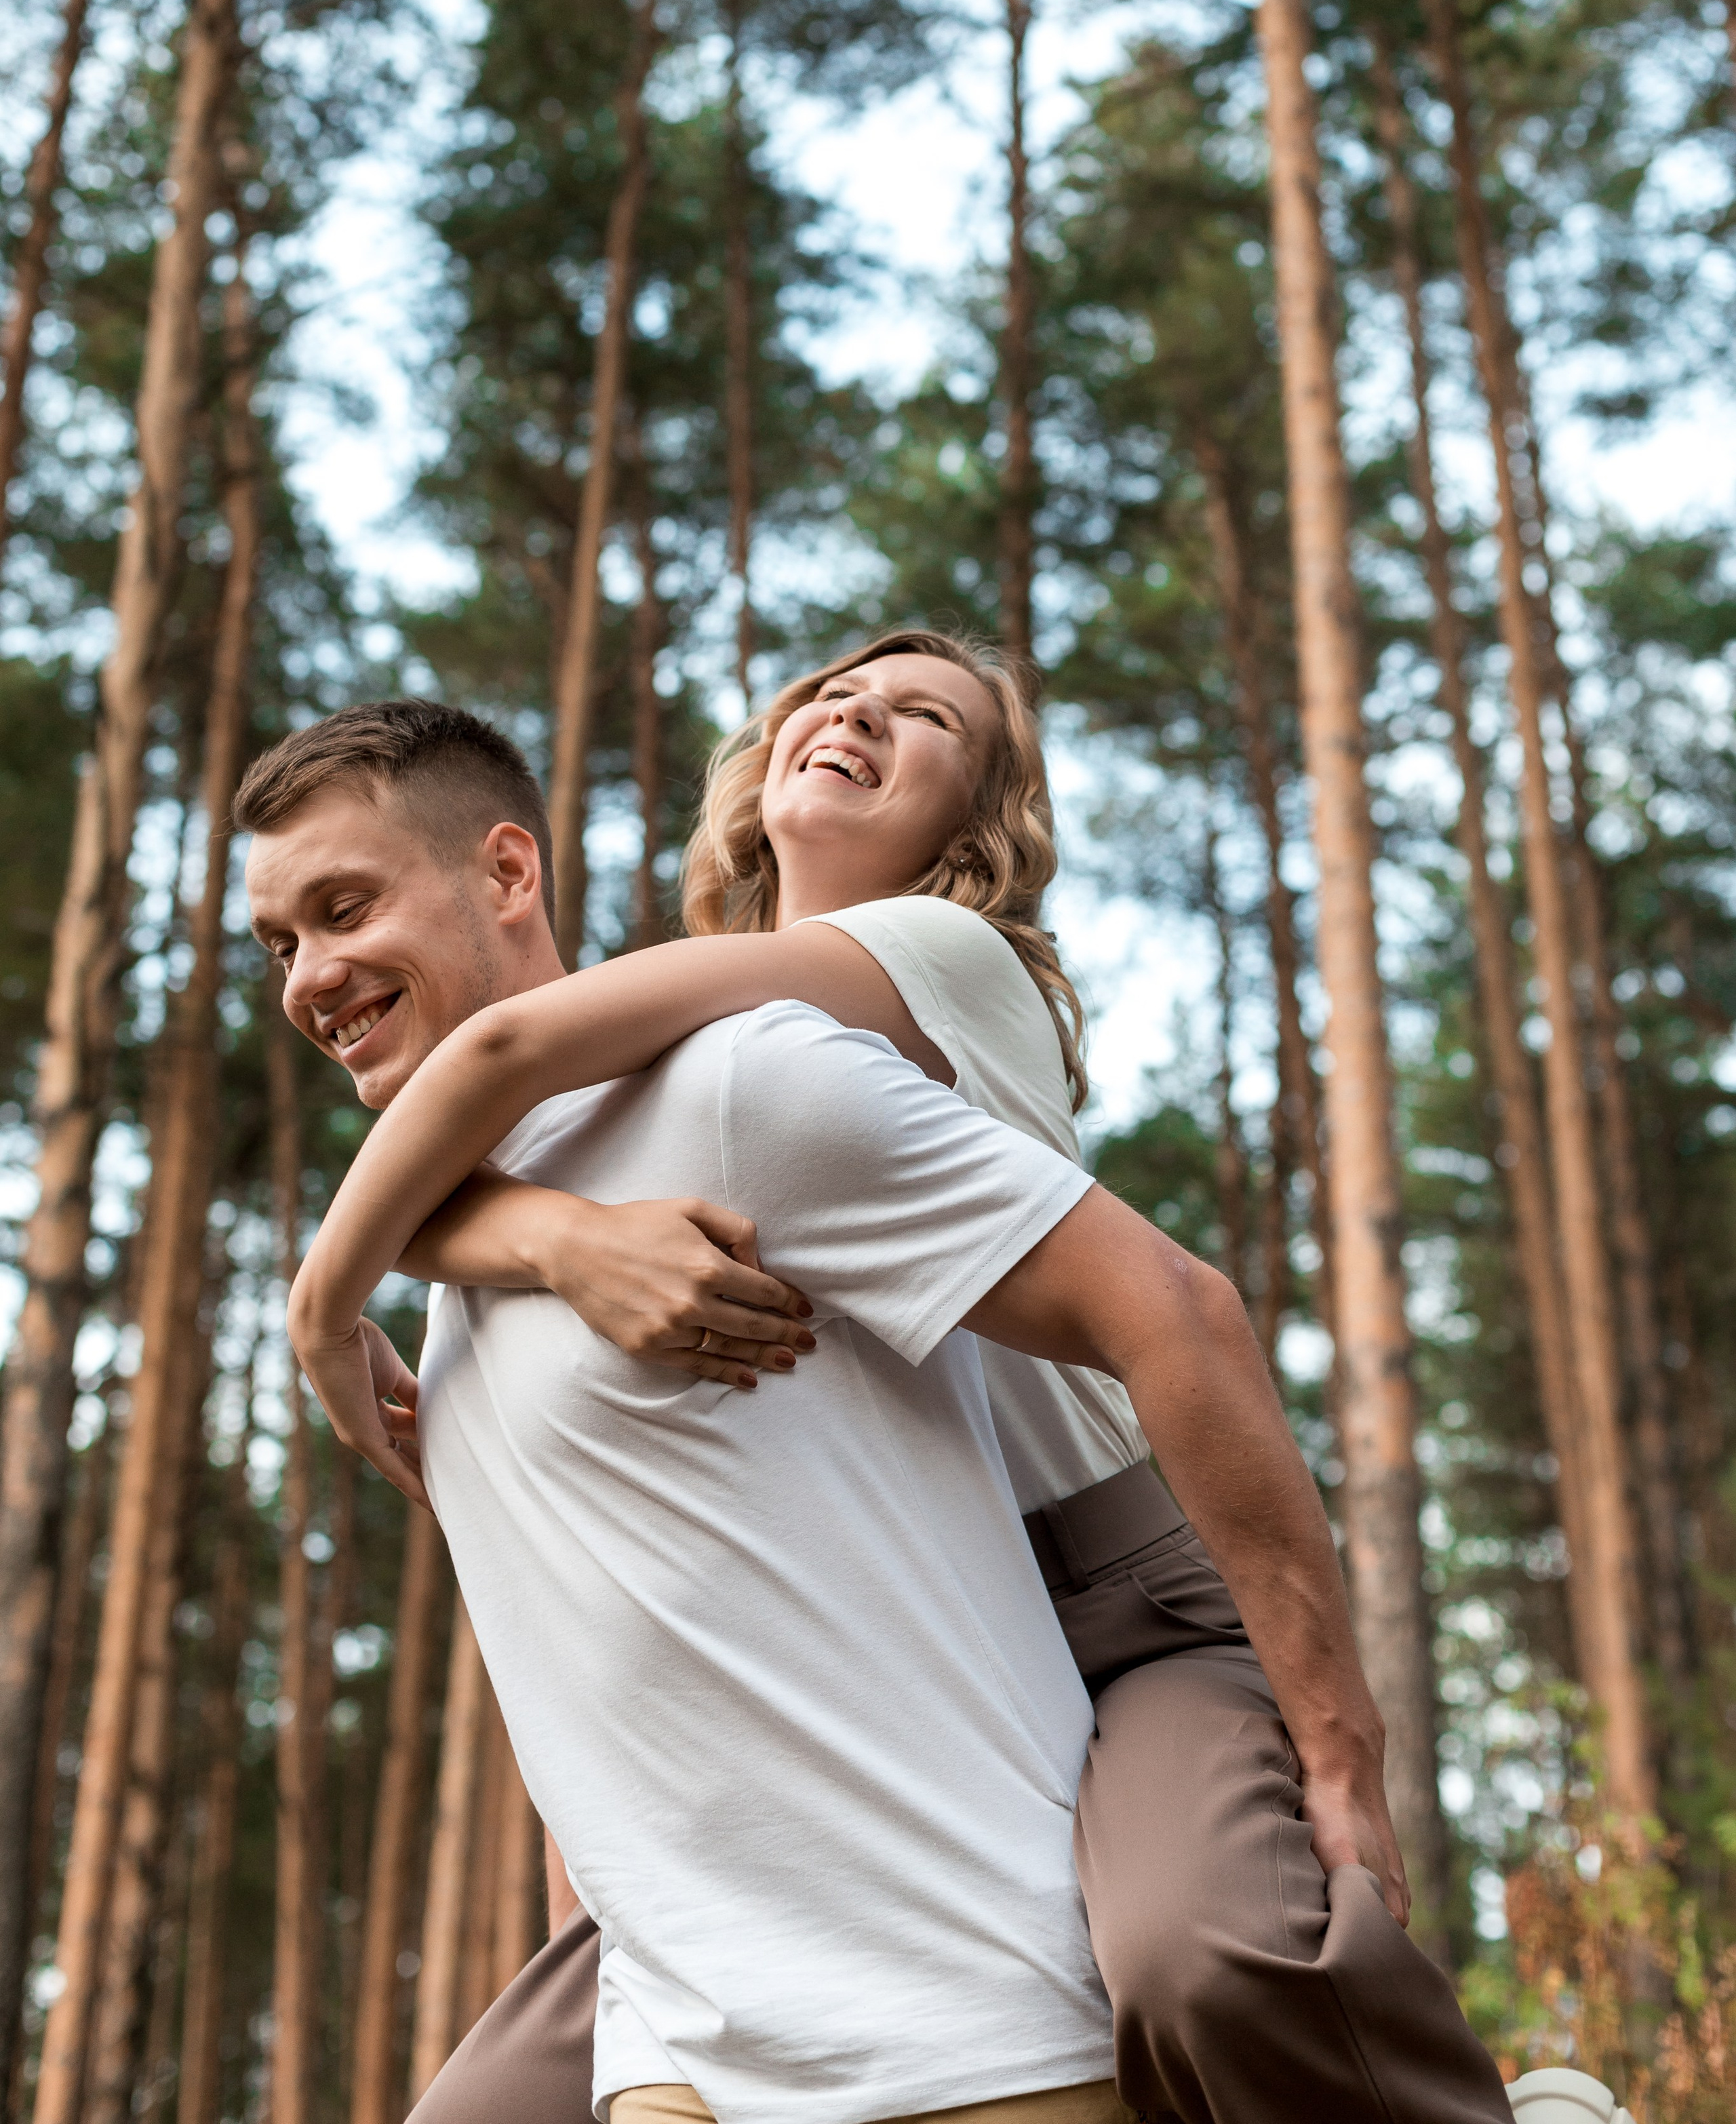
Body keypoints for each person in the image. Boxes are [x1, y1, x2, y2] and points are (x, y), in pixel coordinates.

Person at [240, 654, 1510, 2124]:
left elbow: (513, 1051)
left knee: (1200, 1957)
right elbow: (492, 1158)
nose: (849, 714)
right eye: (825, 692)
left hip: (1115, 1589)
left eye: (923, 717)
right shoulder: (666, 1056)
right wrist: (558, 1238)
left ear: (976, 816)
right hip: (896, 1643)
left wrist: (323, 1308)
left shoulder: (920, 971)